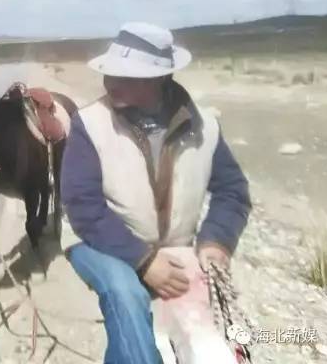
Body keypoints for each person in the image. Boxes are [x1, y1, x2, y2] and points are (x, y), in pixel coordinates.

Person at [60, 22, 251, 364]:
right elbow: (83, 207)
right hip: (95, 241)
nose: (110, 83)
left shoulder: (205, 126)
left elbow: (232, 190)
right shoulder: (88, 124)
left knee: (212, 334)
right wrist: (143, 260)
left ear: (159, 79)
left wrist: (216, 241)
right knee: (125, 292)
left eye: (126, 76)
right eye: (109, 73)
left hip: (175, 246)